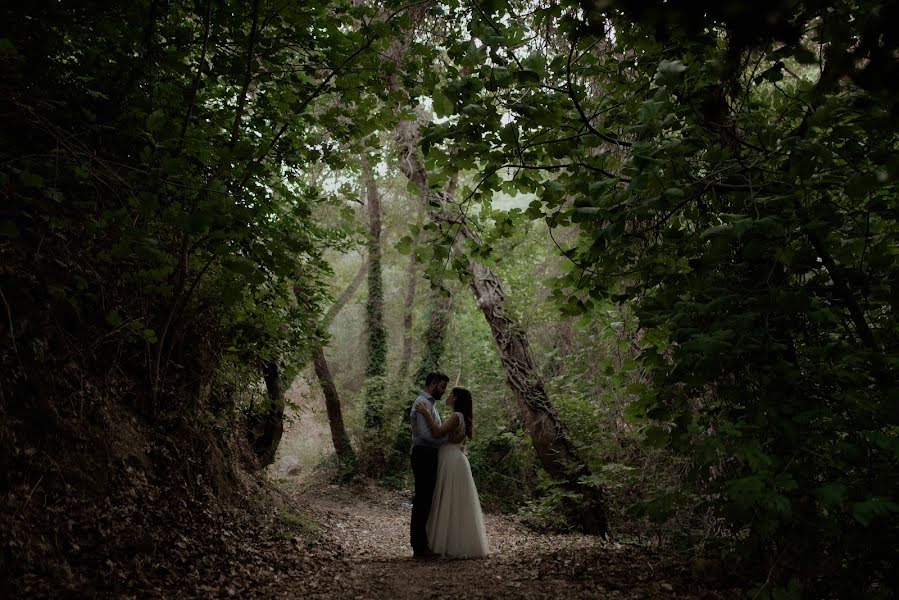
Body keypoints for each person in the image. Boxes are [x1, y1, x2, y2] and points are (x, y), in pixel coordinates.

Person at [414, 386, 490, 558]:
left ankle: (445, 543)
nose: (448, 396)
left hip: (450, 460)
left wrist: (426, 413)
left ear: (456, 398)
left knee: (447, 499)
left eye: (450, 394)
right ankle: (454, 542)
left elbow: (437, 432)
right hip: (457, 459)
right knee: (455, 502)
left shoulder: (456, 416)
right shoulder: (463, 417)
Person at [409, 371, 449, 558]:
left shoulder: (430, 404)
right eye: (442, 387)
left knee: (426, 500)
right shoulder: (422, 403)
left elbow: (435, 431)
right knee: (422, 501)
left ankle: (422, 544)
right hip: (423, 454)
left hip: (428, 455)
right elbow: (426, 435)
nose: (443, 391)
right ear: (433, 384)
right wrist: (445, 442)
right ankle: (419, 547)